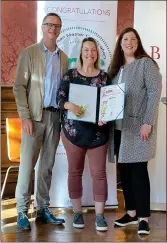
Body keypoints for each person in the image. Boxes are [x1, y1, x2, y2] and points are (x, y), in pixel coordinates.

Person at [13, 13, 68, 230]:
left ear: (60, 29)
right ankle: (21, 212)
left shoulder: (64, 58)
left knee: (46, 167)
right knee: (27, 166)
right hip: (33, 118)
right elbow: (19, 87)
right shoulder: (29, 53)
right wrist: (25, 116)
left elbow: (65, 91)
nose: (53, 28)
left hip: (55, 117)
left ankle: (43, 208)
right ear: (43, 28)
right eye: (49, 25)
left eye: (57, 25)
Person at [107, 27, 162, 235]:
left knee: (138, 172)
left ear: (138, 43)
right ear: (120, 44)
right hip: (119, 129)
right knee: (125, 173)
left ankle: (143, 218)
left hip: (139, 128)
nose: (129, 42)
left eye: (133, 38)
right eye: (125, 39)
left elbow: (154, 93)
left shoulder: (146, 64)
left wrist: (148, 122)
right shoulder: (116, 69)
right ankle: (130, 213)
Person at [57, 37, 110, 231]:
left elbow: (109, 104)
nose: (90, 53)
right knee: (74, 172)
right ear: (81, 53)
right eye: (86, 50)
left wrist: (106, 116)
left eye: (93, 50)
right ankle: (78, 213)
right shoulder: (70, 75)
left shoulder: (104, 77)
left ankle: (100, 216)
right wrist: (69, 105)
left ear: (97, 54)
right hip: (73, 133)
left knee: (99, 174)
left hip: (98, 134)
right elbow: (60, 98)